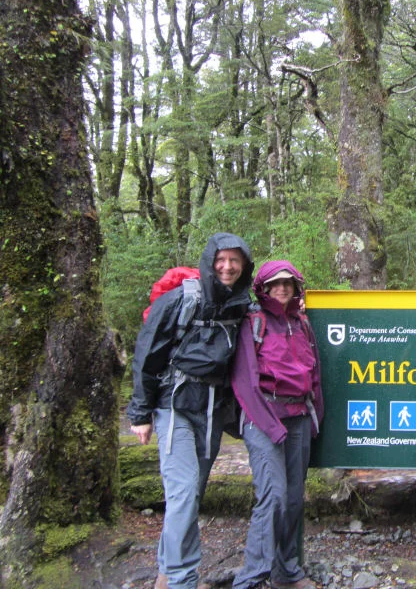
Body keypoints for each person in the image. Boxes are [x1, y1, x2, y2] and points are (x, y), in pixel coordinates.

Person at [127, 233, 255, 589]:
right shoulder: (183, 298)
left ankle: (167, 572)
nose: (227, 267)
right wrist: (140, 413)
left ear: (244, 265)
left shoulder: (242, 304)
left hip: (213, 409)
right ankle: (184, 580)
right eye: (222, 259)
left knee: (192, 491)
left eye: (235, 260)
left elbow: (269, 328)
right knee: (183, 491)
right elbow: (147, 353)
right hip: (175, 406)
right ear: (210, 261)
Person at [230, 260, 324, 589]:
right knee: (274, 497)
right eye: (276, 283)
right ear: (264, 287)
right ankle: (251, 579)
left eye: (288, 283)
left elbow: (314, 376)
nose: (282, 288)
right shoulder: (253, 322)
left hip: (298, 417)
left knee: (295, 499)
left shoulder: (302, 324)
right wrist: (271, 426)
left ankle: (287, 572)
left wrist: (316, 417)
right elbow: (244, 381)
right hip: (263, 418)